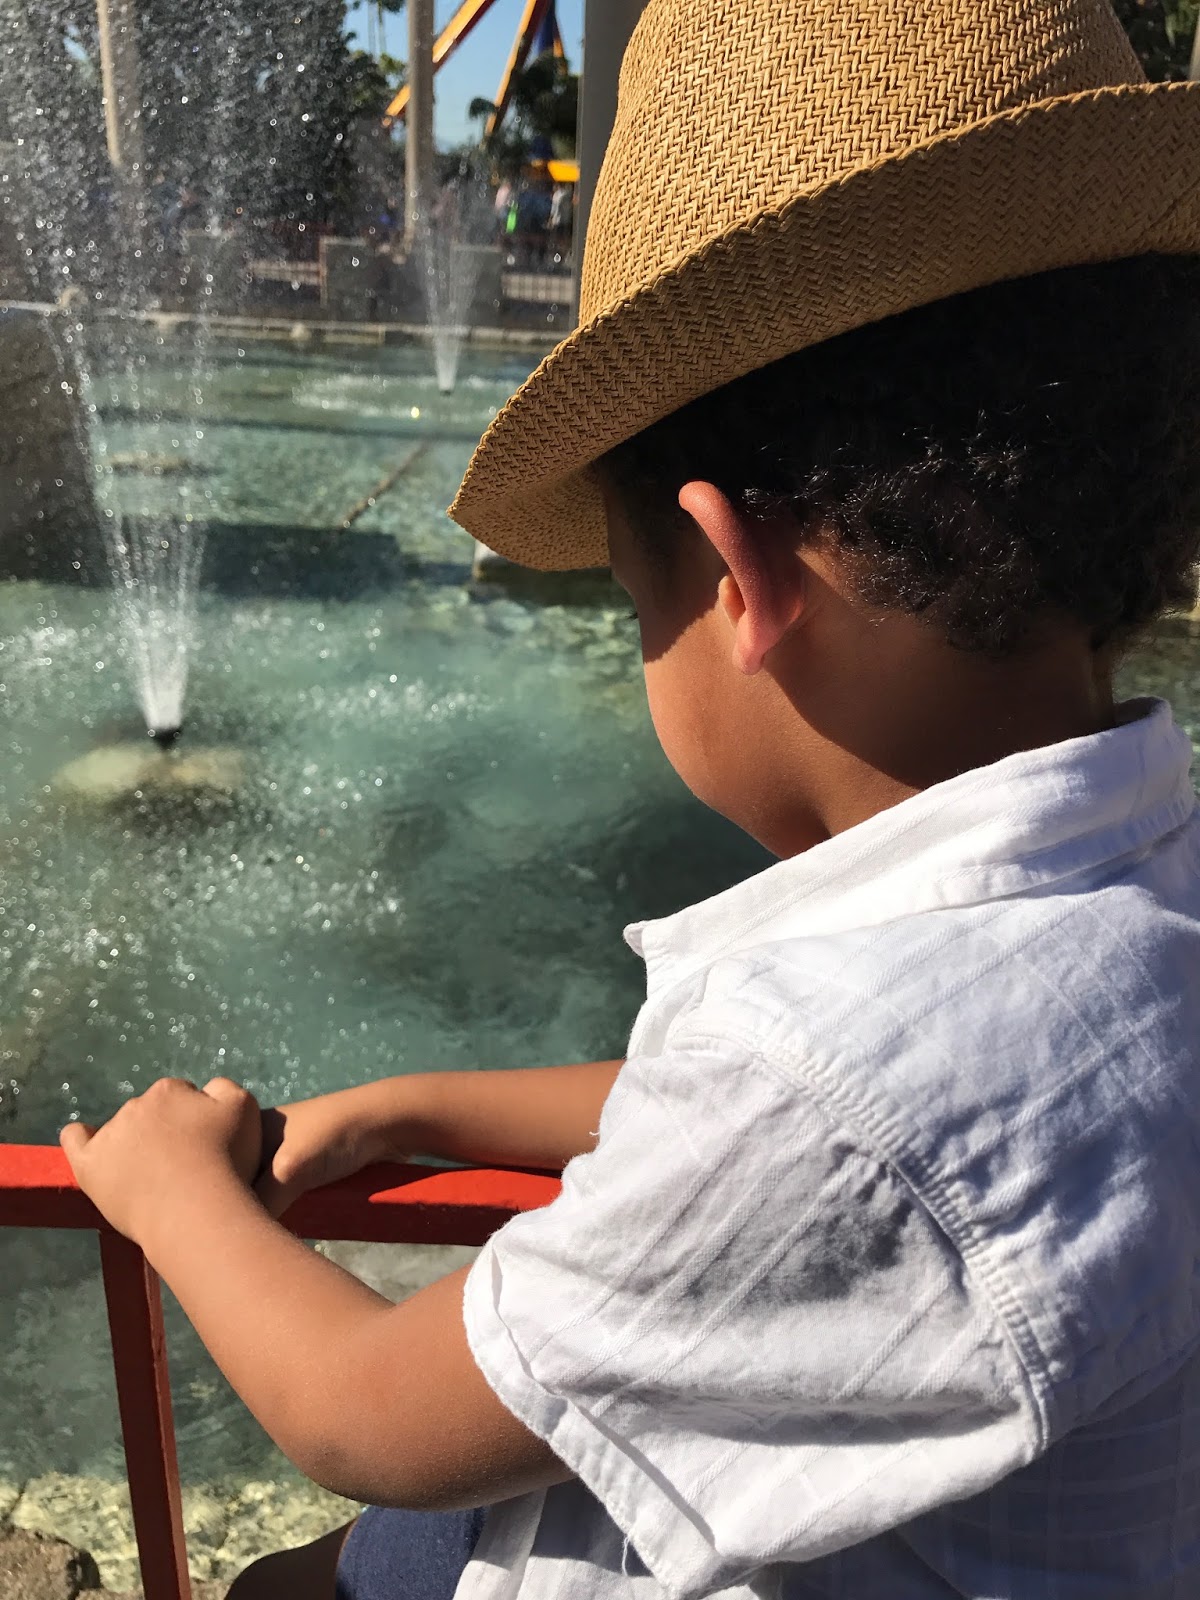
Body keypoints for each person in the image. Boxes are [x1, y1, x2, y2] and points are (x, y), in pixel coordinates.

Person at [61, 0, 1200, 1597]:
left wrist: (171, 1192)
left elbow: (365, 1414)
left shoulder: (836, 1087)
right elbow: (789, 1117)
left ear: (737, 581)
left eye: (627, 593)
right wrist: (417, 1107)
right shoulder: (1134, 894)